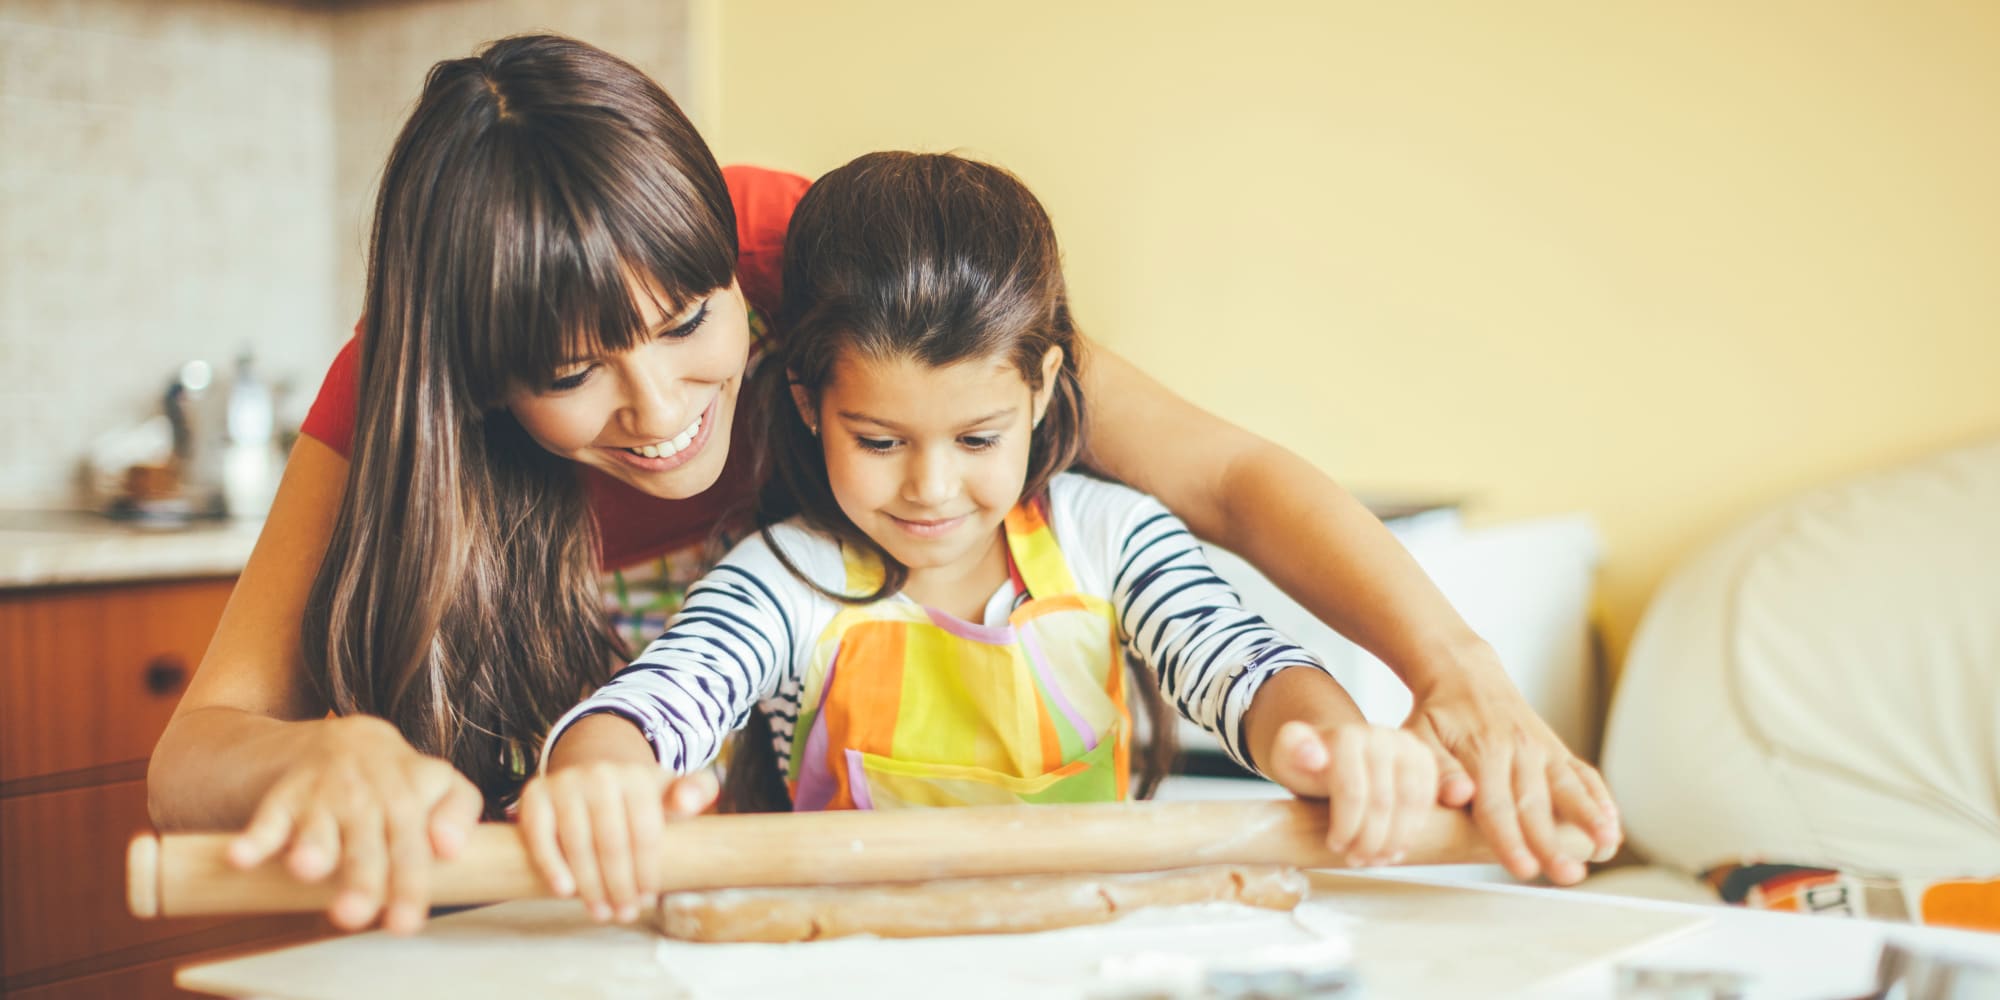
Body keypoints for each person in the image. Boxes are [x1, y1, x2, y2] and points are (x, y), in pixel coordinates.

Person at [146, 34, 1617, 937]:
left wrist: (1446, 680)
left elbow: (1221, 486)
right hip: (594, 902)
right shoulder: (393, 401)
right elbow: (198, 747)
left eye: (686, 329)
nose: (660, 415)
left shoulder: (825, 266)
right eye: (573, 375)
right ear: (470, 375)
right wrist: (315, 757)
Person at [520, 152, 1441, 922]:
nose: (931, 487)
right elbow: (661, 702)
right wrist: (600, 774)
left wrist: (1332, 742)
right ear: (809, 404)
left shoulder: (1110, 539)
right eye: (879, 442)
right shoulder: (782, 579)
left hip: (1090, 959)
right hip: (849, 969)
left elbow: (1242, 666)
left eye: (977, 438)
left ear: (1041, 388)